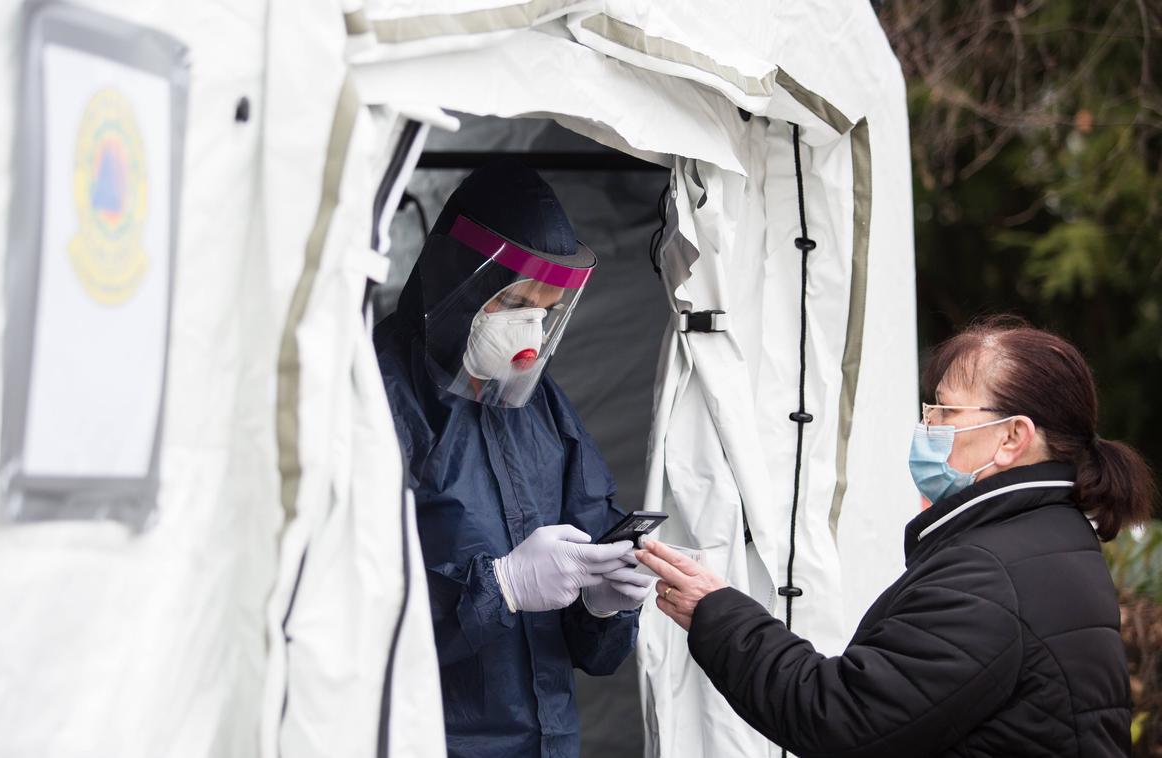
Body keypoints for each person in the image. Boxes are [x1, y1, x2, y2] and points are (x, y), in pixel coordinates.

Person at [636, 316, 1153, 758]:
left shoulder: (990, 573)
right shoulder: (1050, 537)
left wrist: (718, 612)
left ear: (1013, 437)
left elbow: (839, 716)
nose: (927, 427)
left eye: (945, 412)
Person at [374, 160, 652, 758]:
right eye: (516, 301)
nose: (532, 328)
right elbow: (357, 615)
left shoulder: (540, 406)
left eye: (547, 309)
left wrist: (604, 604)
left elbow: (589, 598)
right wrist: (500, 587)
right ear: (461, 283)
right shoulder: (379, 396)